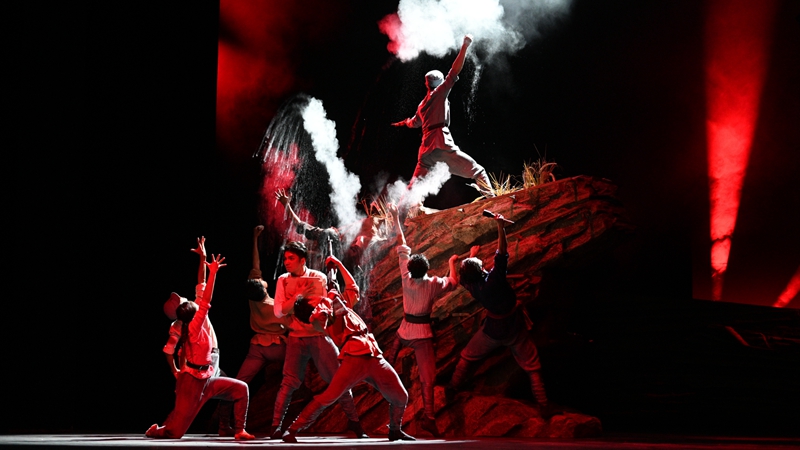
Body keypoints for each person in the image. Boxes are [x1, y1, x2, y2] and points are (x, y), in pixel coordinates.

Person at [281, 255, 414, 443]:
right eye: (311, 298)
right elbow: (326, 314)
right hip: (354, 358)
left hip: (373, 354)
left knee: (401, 396)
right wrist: (331, 295)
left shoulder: (335, 301)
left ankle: (395, 430)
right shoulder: (317, 316)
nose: (316, 295)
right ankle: (293, 429)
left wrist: (339, 265)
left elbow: (353, 288)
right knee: (328, 396)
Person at [447, 213, 557, 419]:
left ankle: (452, 387)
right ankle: (543, 405)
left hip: (492, 330)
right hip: (513, 327)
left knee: (467, 356)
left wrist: (470, 256)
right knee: (532, 365)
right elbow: (502, 253)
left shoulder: (471, 285)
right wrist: (500, 226)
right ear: (481, 269)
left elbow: (468, 273)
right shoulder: (494, 280)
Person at [146, 254, 256, 440]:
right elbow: (206, 298)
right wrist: (213, 272)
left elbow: (201, 287)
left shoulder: (189, 321)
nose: (194, 301)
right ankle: (157, 430)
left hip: (207, 375)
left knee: (241, 388)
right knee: (175, 432)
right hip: (193, 382)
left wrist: (203, 259)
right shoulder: (194, 324)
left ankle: (239, 430)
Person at [271, 240, 367, 439]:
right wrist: (298, 296)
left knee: (339, 379)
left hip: (319, 336)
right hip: (296, 338)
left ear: (302, 260)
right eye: (286, 258)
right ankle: (275, 426)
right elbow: (279, 311)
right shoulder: (283, 280)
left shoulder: (319, 277)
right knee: (288, 382)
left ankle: (354, 422)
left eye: (291, 258)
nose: (287, 262)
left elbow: (326, 305)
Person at [391, 34, 493, 205]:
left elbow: (412, 123)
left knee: (412, 187)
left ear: (426, 84)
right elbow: (455, 70)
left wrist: (401, 123)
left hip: (426, 151)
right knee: (478, 171)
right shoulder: (440, 93)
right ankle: (495, 202)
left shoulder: (421, 105)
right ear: (438, 83)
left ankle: (399, 213)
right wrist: (465, 46)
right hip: (442, 144)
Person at [383, 204, 457, 437]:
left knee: (389, 359)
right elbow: (453, 282)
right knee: (428, 378)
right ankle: (429, 417)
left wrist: (395, 216)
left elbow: (401, 243)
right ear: (426, 269)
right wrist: (452, 262)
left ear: (410, 268)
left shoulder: (406, 276)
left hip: (403, 332)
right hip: (422, 336)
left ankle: (384, 377)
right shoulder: (433, 284)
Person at [215, 225, 291, 436]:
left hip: (257, 348)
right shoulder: (275, 307)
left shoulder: (253, 298)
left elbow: (255, 264)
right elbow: (290, 325)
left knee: (238, 385)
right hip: (278, 348)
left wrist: (255, 238)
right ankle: (278, 424)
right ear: (264, 288)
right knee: (298, 370)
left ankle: (224, 424)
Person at [161, 237, 234, 436]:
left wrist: (202, 258)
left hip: (205, 361)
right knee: (205, 398)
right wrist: (177, 372)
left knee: (196, 400)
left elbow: (201, 282)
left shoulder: (189, 315)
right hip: (206, 362)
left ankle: (222, 425)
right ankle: (169, 426)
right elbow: (203, 284)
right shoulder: (195, 314)